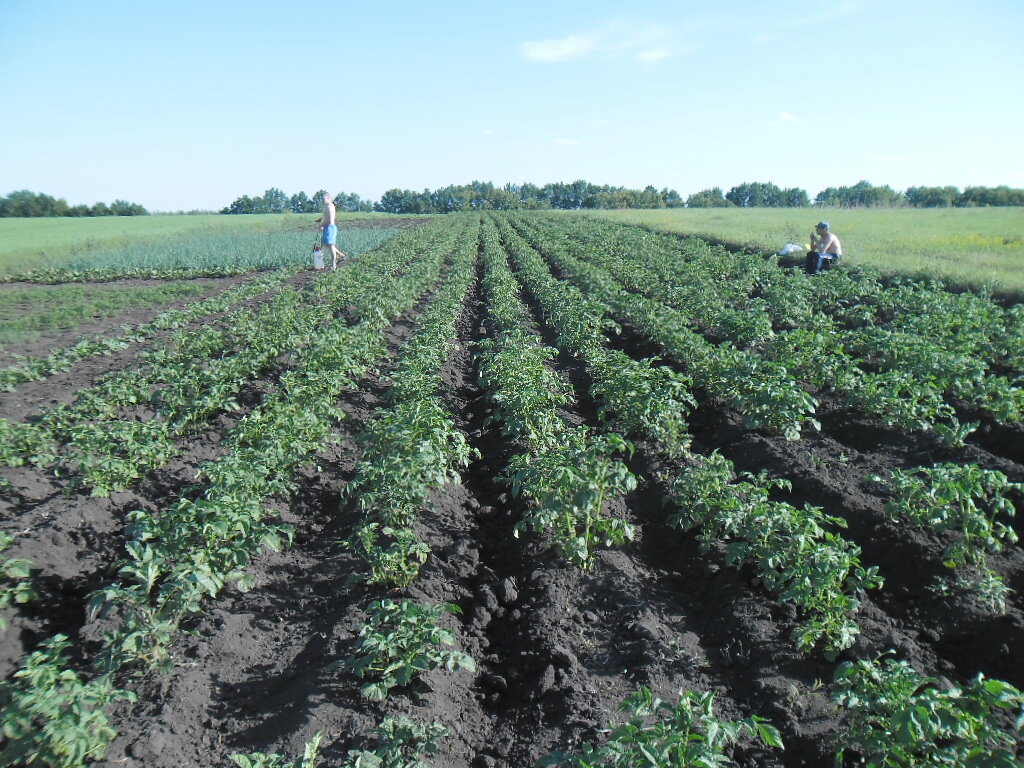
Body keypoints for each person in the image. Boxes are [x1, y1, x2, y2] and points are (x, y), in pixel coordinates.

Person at [316, 192, 347, 270]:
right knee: (326, 244)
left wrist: (321, 225)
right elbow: (326, 217)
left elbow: (330, 220)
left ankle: (333, 265)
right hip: (327, 227)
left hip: (330, 227)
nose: (322, 200)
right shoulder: (327, 206)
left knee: (330, 245)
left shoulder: (330, 207)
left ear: (328, 198)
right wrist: (321, 220)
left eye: (324, 199)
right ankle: (341, 255)